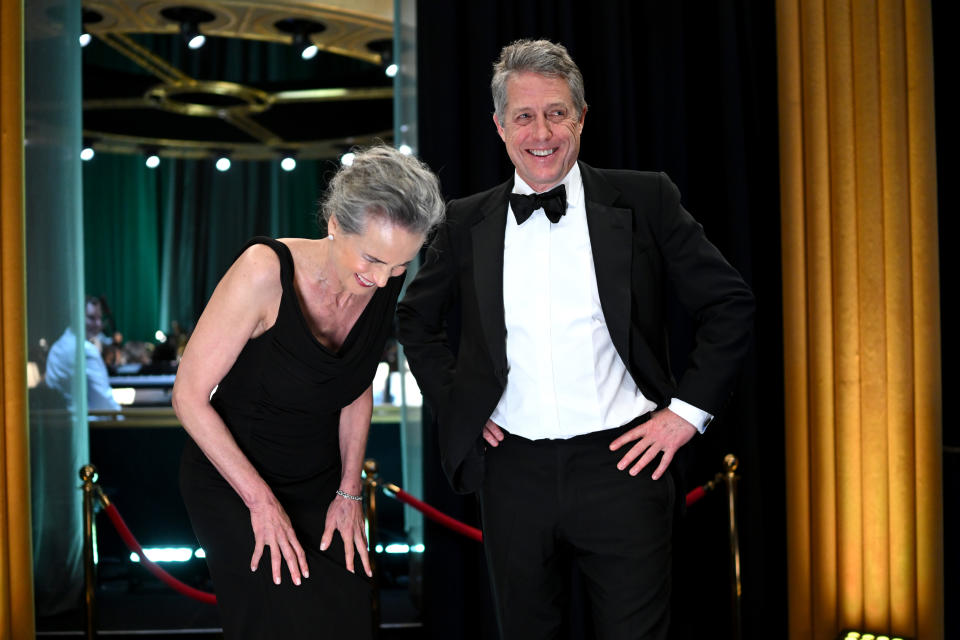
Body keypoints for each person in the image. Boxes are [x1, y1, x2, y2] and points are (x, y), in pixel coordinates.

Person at [397, 40, 755, 639]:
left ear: (582, 116)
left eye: (557, 112)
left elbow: (729, 303)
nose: (543, 131)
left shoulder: (645, 198)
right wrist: (460, 401)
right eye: (525, 115)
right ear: (499, 126)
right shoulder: (464, 220)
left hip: (624, 467)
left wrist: (685, 416)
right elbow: (414, 319)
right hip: (512, 472)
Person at [174, 145, 444, 639]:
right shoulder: (264, 271)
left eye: (400, 266)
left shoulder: (379, 282)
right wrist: (261, 503)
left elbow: (354, 386)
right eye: (373, 259)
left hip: (320, 482)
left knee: (345, 619)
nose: (382, 280)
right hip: (236, 481)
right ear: (336, 223)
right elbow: (188, 396)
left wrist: (349, 490)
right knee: (279, 621)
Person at [44, 295, 122, 414]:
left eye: (99, 318)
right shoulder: (85, 350)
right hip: (88, 426)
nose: (98, 324)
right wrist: (122, 420)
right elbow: (103, 403)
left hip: (63, 422)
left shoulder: (57, 346)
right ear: (76, 317)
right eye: (91, 318)